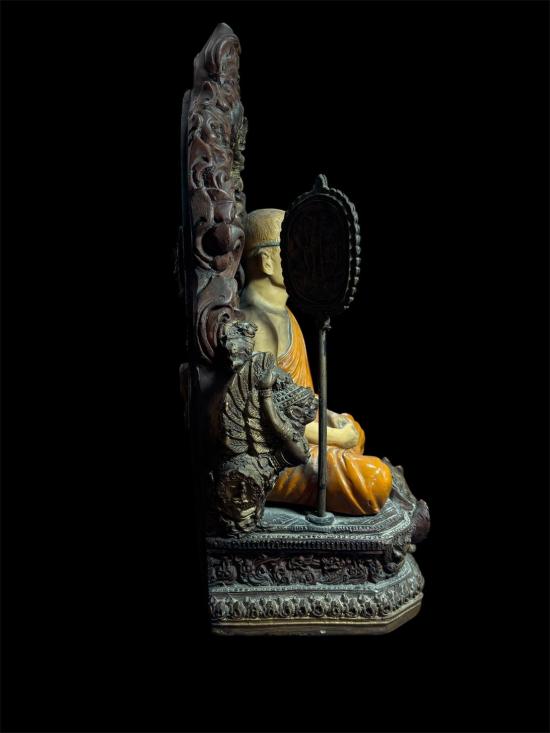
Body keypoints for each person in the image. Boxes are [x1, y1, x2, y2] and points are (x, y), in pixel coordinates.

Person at [239, 208, 393, 516]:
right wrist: (334, 438)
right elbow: (268, 418)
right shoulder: (257, 322)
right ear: (267, 261)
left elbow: (298, 397)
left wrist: (329, 417)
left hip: (298, 430)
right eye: (294, 251)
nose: (303, 262)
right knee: (375, 480)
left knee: (354, 428)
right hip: (275, 454)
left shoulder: (283, 315)